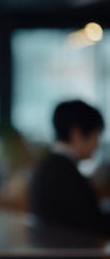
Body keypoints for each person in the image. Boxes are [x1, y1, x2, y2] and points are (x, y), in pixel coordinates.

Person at [27, 99, 110, 236]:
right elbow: (93, 225)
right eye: (96, 135)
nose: (97, 144)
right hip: (73, 254)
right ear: (76, 134)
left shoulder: (47, 167)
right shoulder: (65, 173)